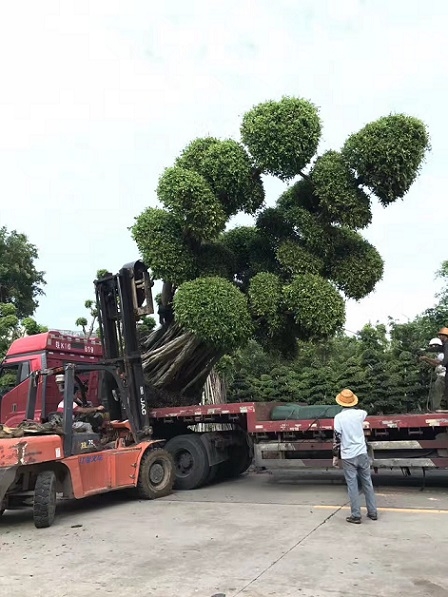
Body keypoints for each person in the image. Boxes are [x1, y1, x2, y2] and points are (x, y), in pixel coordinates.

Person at [332, 388, 378, 525]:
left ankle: (356, 515)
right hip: (362, 453)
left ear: (340, 402)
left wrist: (335, 457)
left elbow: (337, 438)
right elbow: (364, 411)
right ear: (353, 402)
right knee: (367, 482)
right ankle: (373, 512)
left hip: (348, 455)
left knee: (352, 485)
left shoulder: (338, 418)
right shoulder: (360, 414)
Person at [419, 337, 446, 411]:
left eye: (434, 346)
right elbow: (435, 365)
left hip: (443, 376)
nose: (432, 347)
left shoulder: (443, 354)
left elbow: (438, 362)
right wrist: (426, 360)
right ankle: (438, 408)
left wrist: (426, 358)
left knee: (437, 392)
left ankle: (436, 408)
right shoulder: (440, 354)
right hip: (441, 376)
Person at [437, 328, 448, 409]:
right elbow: (438, 348)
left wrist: (444, 363)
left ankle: (444, 406)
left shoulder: (447, 344)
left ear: (444, 336)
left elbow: (446, 359)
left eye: (440, 335)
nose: (439, 337)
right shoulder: (445, 345)